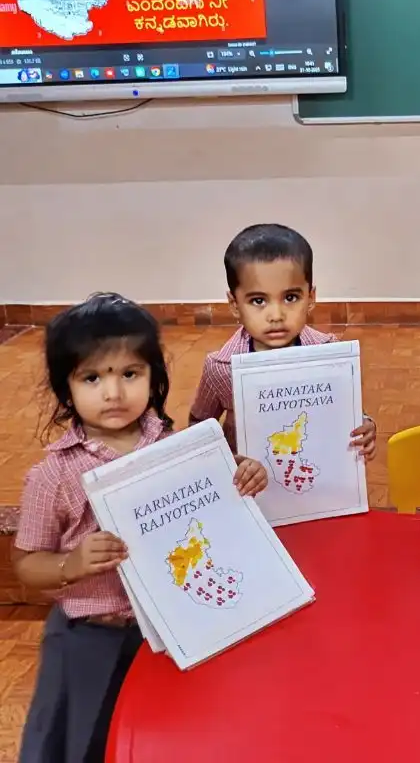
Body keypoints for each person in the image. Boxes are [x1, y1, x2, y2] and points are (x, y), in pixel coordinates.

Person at [13, 292, 266, 763]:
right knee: (83, 742)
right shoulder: (52, 477)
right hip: (90, 637)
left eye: (129, 374)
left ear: (154, 378)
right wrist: (71, 563)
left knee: (167, 739)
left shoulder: (177, 448)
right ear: (66, 388)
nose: (113, 393)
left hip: (174, 630)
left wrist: (243, 478)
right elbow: (27, 563)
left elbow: (213, 515)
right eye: (92, 377)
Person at [190, 222, 377, 459]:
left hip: (313, 472)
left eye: (290, 297)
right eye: (258, 301)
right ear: (234, 304)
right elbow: (199, 426)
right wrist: (223, 460)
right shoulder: (220, 369)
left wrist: (366, 425)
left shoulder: (331, 355)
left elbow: (348, 411)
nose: (276, 316)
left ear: (311, 297)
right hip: (250, 487)